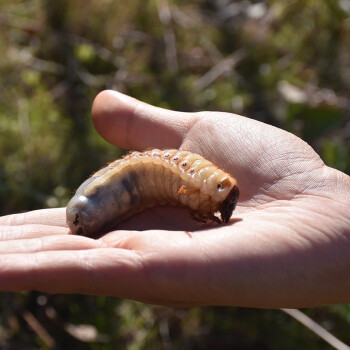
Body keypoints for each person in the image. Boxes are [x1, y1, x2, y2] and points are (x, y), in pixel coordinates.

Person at [0, 90, 349, 308]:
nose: (222, 207)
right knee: (106, 198)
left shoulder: (196, 183)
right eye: (222, 198)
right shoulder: (192, 183)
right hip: (107, 196)